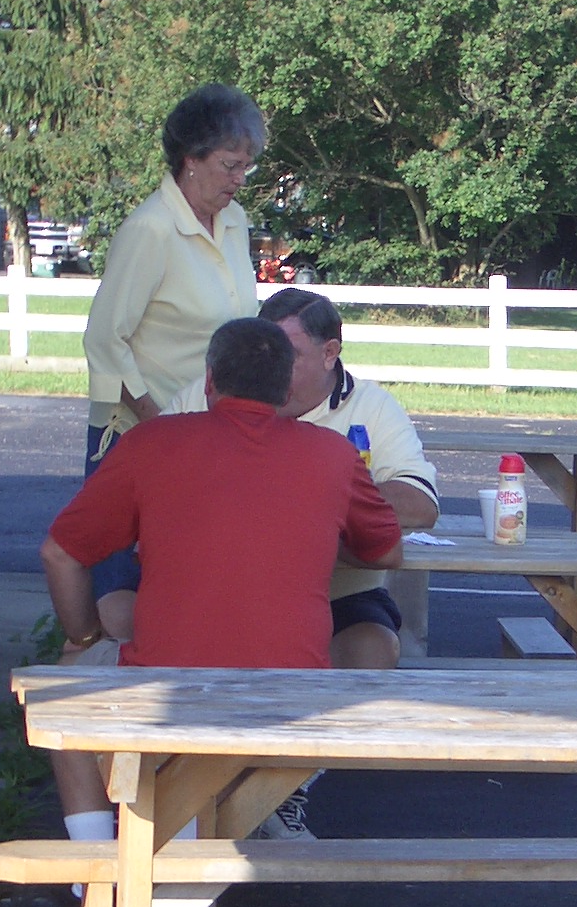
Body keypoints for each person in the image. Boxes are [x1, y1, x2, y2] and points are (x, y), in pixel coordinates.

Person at [25, 318, 403, 907]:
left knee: (64, 686)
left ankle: (91, 879)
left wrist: (84, 636)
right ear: (286, 389)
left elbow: (60, 554)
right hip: (294, 700)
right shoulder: (334, 454)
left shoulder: (151, 444)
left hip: (169, 692)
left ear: (208, 380)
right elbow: (387, 550)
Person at [160, 288, 441, 837]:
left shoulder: (373, 407)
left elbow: (420, 502)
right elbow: (152, 468)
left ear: (331, 353)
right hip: (222, 587)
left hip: (335, 591)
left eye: (285, 351)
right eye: (261, 346)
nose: (268, 363)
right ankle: (202, 792)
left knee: (372, 650)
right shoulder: (212, 389)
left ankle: (282, 786)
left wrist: (307, 508)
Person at [77, 84, 266, 646]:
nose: (240, 179)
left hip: (213, 437)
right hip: (140, 435)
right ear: (191, 159)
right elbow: (104, 339)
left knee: (194, 590)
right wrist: (155, 423)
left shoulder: (235, 223)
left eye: (247, 167)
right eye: (230, 165)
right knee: (123, 602)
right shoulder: (150, 229)